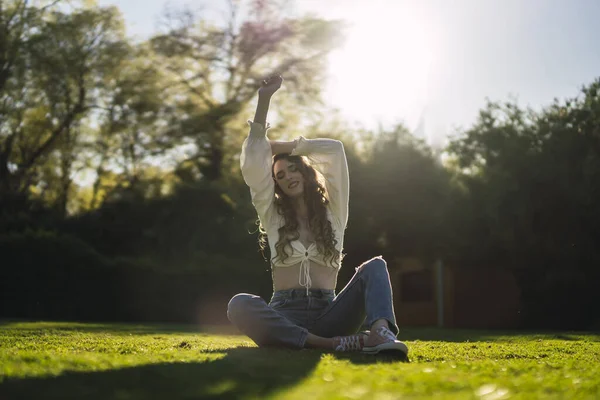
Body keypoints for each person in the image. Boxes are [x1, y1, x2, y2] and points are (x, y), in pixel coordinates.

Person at [227, 75, 408, 357]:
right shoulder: (272, 215)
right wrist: (264, 99)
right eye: (280, 176)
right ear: (275, 185)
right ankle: (330, 345)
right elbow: (252, 162)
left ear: (306, 171)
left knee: (375, 266)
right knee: (239, 304)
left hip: (331, 315)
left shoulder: (334, 211)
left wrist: (280, 148)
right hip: (285, 315)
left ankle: (379, 333)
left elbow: (334, 150)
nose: (288, 177)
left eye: (293, 169)